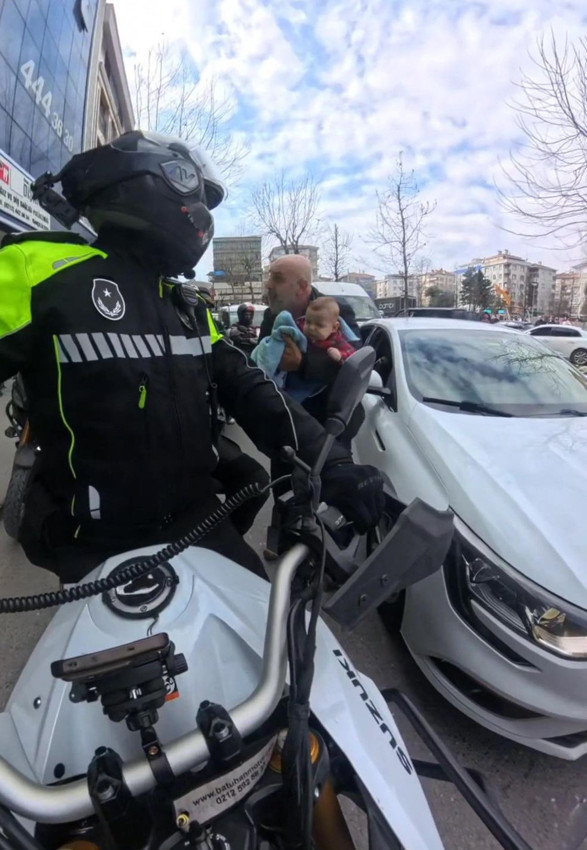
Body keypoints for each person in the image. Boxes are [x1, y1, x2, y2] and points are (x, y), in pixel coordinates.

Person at [0, 130, 384, 583]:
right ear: (156, 181)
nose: (203, 215)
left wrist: (330, 459)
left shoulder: (186, 306)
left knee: (272, 640)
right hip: (96, 543)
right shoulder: (35, 268)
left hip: (198, 522)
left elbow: (248, 386)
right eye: (198, 194)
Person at [260, 255, 361, 429]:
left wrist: (303, 363)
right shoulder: (271, 317)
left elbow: (355, 364)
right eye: (269, 277)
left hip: (328, 425)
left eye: (277, 278)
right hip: (285, 424)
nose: (268, 284)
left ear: (302, 286)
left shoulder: (337, 311)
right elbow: (261, 363)